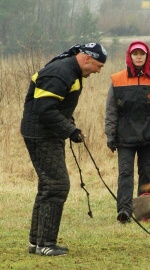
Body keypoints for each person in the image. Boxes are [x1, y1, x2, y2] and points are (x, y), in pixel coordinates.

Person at [21, 43, 107, 256]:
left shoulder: (71, 71)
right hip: (41, 134)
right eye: (97, 66)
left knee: (48, 186)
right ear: (87, 58)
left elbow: (55, 105)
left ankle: (37, 243)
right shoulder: (60, 72)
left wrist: (68, 124)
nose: (97, 71)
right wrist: (71, 130)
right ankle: (46, 245)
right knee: (57, 185)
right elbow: (44, 110)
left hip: (47, 133)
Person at [105, 41, 150, 223]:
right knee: (125, 174)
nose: (139, 57)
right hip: (125, 137)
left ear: (147, 56)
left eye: (142, 54)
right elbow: (111, 110)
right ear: (130, 56)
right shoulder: (117, 80)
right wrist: (110, 134)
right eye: (135, 54)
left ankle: (143, 213)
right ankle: (124, 212)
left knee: (146, 174)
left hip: (149, 137)